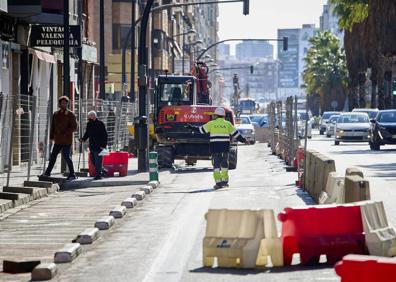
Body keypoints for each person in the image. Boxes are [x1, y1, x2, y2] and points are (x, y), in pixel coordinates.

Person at [187, 107, 248, 189]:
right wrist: (244, 141)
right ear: (223, 116)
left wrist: (191, 127)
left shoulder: (211, 123)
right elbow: (236, 135)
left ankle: (218, 183)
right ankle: (225, 181)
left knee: (216, 165)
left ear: (216, 115)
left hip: (215, 148)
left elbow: (201, 130)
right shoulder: (227, 124)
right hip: (225, 148)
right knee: (224, 165)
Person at [42, 96, 78, 180]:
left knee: (66, 156)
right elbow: (52, 126)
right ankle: (47, 172)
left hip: (66, 140)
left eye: (65, 103)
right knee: (53, 156)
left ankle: (72, 174)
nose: (64, 104)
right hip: (58, 140)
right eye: (62, 103)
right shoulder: (55, 114)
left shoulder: (70, 114)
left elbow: (75, 127)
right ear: (59, 104)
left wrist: (66, 132)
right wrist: (51, 137)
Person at [81, 111, 108, 180]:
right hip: (92, 145)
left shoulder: (100, 124)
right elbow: (87, 133)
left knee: (98, 161)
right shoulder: (89, 124)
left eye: (89, 117)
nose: (88, 119)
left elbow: (105, 135)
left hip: (99, 145)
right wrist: (83, 139)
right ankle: (102, 170)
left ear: (94, 116)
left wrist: (103, 145)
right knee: (93, 160)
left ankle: (98, 175)